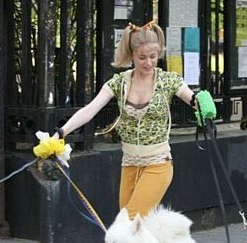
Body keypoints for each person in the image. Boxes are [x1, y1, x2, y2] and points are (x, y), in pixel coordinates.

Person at [54, 21, 213, 219]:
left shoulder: (168, 81)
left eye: (153, 57)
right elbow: (90, 110)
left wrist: (203, 104)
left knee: (128, 223)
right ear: (131, 55)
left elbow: (192, 99)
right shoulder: (119, 82)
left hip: (158, 164)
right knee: (131, 228)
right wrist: (61, 132)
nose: (148, 63)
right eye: (142, 57)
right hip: (129, 163)